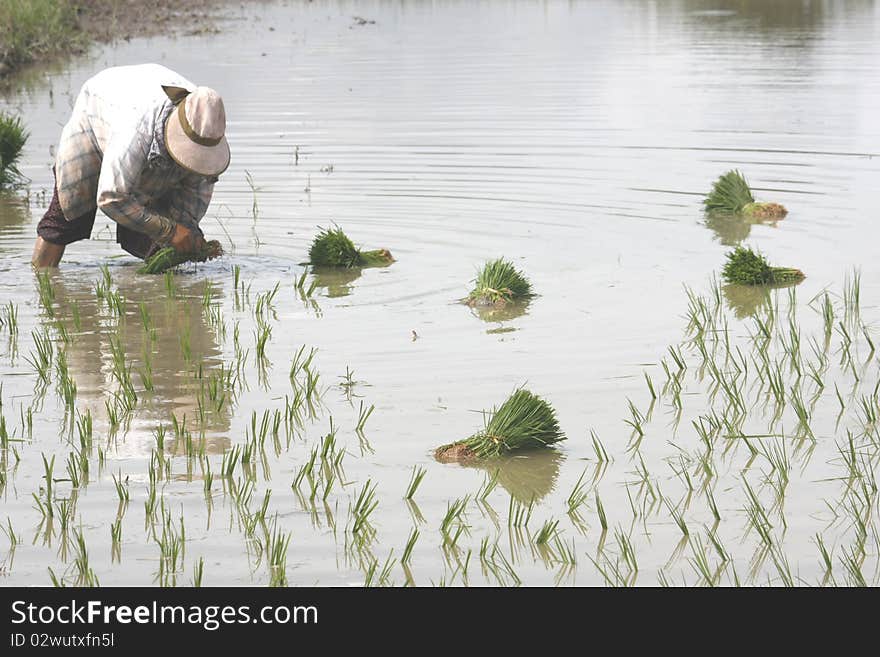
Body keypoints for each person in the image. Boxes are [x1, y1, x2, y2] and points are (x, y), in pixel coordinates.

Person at [31, 63, 230, 267]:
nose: (194, 165)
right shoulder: (136, 131)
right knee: (66, 219)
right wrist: (169, 231)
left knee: (164, 242)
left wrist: (189, 238)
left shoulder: (207, 127)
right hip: (96, 114)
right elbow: (110, 198)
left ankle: (152, 294)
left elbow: (185, 214)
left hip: (139, 117)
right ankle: (41, 277)